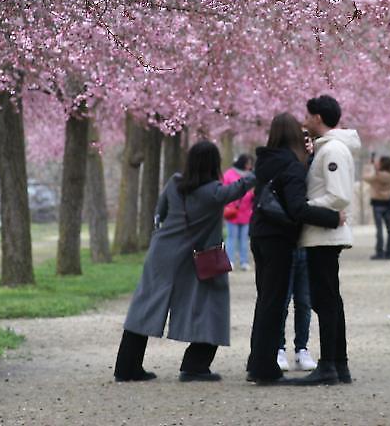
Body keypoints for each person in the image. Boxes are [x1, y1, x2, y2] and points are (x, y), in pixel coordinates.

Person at [114, 140, 254, 383]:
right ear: (214, 164)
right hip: (199, 257)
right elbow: (240, 187)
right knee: (212, 305)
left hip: (162, 253)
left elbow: (160, 213)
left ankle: (127, 367)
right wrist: (261, 171)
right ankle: (195, 366)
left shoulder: (175, 183)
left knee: (146, 306)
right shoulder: (215, 192)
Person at [246, 113, 343, 385]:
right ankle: (264, 368)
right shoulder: (291, 166)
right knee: (274, 302)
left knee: (265, 299)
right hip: (278, 237)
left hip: (259, 234)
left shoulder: (265, 161)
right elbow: (298, 208)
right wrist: (333, 218)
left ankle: (257, 361)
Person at [297, 94, 359, 384]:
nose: (304, 121)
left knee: (325, 300)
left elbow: (338, 195)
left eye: (307, 116)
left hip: (323, 234)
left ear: (317, 118)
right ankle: (338, 363)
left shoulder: (332, 150)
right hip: (322, 234)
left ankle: (329, 364)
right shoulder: (329, 148)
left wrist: (304, 208)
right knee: (329, 299)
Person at [276, 247, 317, 373]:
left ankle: (301, 349)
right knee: (282, 303)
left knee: (304, 303)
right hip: (284, 248)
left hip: (306, 248)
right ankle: (278, 348)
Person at [222, 154, 255, 271]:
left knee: (244, 239)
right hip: (232, 212)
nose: (249, 166)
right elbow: (224, 191)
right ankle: (229, 261)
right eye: (248, 163)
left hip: (246, 212)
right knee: (231, 238)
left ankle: (244, 261)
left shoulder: (251, 175)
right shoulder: (229, 174)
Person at [363, 155, 390, 259]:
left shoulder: (377, 176)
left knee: (379, 230)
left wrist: (370, 165)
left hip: (377, 204)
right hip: (388, 204)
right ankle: (389, 252)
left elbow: (365, 177)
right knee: (389, 229)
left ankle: (380, 252)